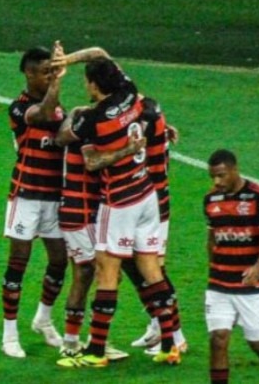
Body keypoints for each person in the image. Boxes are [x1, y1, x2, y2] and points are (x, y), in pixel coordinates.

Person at [54, 56, 181, 368]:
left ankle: (96, 351)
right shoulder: (130, 91)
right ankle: (170, 344)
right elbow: (102, 55)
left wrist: (121, 149)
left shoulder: (93, 120)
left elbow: (85, 156)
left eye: (86, 81)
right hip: (147, 195)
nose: (85, 85)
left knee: (106, 274)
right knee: (151, 271)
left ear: (95, 85)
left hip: (120, 201)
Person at [57, 105, 144, 363]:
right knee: (91, 273)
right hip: (78, 211)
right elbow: (92, 163)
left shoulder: (84, 124)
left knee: (98, 274)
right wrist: (127, 150)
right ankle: (74, 343)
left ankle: (93, 341)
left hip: (89, 211)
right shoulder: (88, 130)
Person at [1, 44, 68, 358]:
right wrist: (57, 85)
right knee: (18, 263)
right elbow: (41, 116)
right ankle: (9, 334)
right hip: (26, 195)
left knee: (59, 260)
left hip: (54, 197)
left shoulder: (59, 108)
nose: (50, 77)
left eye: (52, 72)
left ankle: (43, 318)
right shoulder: (19, 107)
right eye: (45, 72)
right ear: (28, 74)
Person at [203, 149, 259, 384]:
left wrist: (258, 267)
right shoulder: (210, 200)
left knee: (257, 342)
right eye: (213, 177)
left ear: (234, 169)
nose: (216, 182)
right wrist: (213, 267)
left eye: (221, 175)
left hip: (249, 286)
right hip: (219, 284)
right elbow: (212, 240)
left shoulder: (258, 196)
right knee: (218, 339)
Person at [124, 96, 188, 355]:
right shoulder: (151, 115)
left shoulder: (146, 120)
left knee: (154, 270)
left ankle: (176, 335)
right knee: (129, 262)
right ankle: (156, 323)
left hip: (153, 205)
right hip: (139, 203)